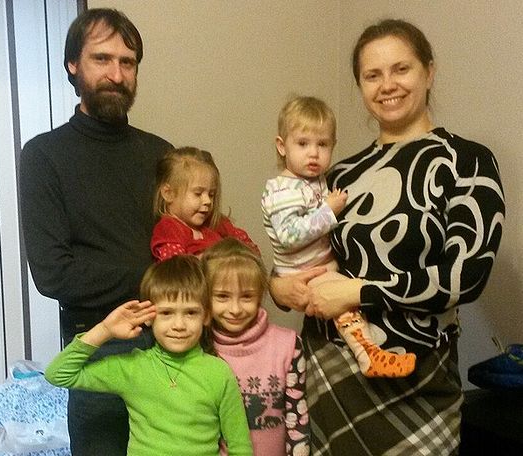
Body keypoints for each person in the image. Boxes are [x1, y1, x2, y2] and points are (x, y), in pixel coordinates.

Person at [269, 19, 505, 455]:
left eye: (401, 69)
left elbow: (466, 276)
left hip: (420, 378)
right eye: (372, 75)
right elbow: (297, 245)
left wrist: (357, 291)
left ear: (429, 71)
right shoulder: (339, 174)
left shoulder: (466, 161)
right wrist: (277, 287)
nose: (387, 85)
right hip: (332, 374)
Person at [19, 8, 172, 455]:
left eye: (127, 63)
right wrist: (155, 276)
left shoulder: (162, 155)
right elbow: (54, 273)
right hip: (98, 346)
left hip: (173, 341)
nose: (116, 74)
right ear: (73, 64)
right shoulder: (44, 156)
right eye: (102, 59)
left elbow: (189, 249)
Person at [262, 95, 417, 378]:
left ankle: (372, 347)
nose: (313, 154)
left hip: (320, 264)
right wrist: (328, 212)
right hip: (305, 271)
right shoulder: (283, 190)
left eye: (322, 145)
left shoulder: (314, 181)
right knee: (346, 306)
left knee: (351, 301)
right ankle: (368, 356)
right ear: (282, 146)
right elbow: (289, 236)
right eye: (303, 144)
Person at [45, 255, 253, 456]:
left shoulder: (219, 372)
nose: (179, 325)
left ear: (206, 316)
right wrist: (105, 330)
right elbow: (58, 374)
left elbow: (240, 445)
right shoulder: (133, 368)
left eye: (190, 313)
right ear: (148, 317)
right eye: (166, 313)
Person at [202, 238, 310, 456]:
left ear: (260, 295)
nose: (235, 309)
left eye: (246, 297)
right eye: (222, 296)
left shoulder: (288, 345)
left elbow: (297, 419)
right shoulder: (200, 349)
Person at [150, 146, 259, 260]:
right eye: (198, 194)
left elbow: (252, 250)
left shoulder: (216, 223)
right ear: (168, 193)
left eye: (211, 194)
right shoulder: (169, 229)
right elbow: (178, 267)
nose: (208, 201)